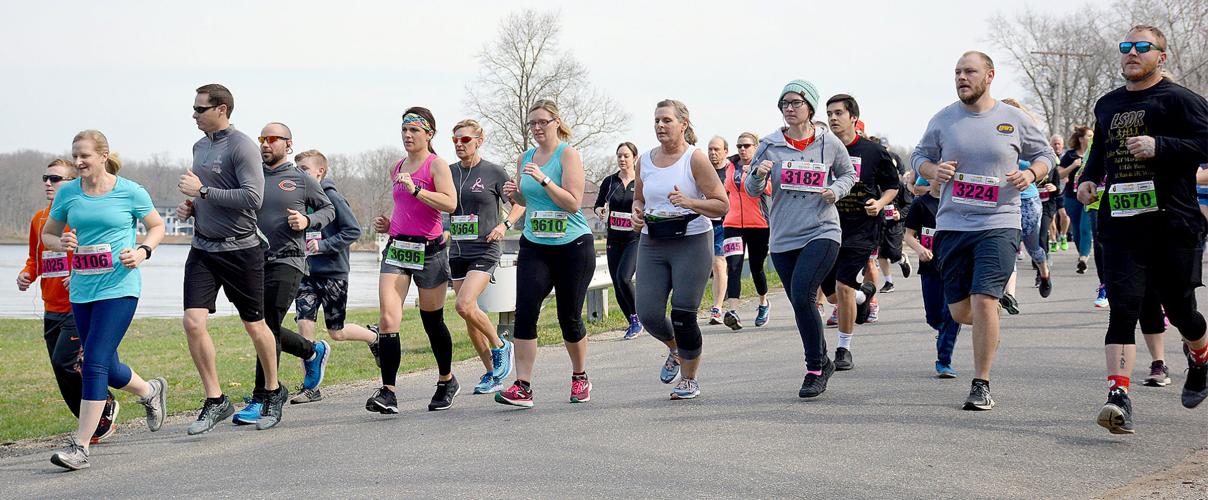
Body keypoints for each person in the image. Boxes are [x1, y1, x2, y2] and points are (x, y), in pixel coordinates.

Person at [1075, 25, 1208, 434]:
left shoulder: (1181, 100)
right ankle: (1118, 397)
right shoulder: (1108, 103)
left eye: (1142, 47)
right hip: (1121, 221)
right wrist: (1087, 179)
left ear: (1161, 57)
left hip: (1173, 221)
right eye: (1126, 47)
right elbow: (1099, 153)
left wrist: (1160, 146)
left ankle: (1201, 359)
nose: (1131, 53)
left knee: (1181, 309)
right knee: (1124, 307)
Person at [913, 51, 1056, 411]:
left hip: (999, 222)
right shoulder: (944, 119)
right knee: (962, 312)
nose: (962, 77)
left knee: (983, 300)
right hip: (953, 224)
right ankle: (989, 317)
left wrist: (1031, 174)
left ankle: (981, 383)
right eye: (957, 72)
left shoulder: (1013, 119)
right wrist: (933, 171)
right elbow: (918, 157)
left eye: (970, 72)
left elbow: (1046, 157)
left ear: (990, 76)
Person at [181, 122, 337, 423]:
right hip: (250, 257)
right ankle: (311, 351)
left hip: (287, 259)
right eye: (262, 139)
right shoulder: (249, 176)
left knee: (268, 322)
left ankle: (261, 397)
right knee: (259, 325)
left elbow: (328, 210)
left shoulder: (300, 179)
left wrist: (307, 221)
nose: (265, 144)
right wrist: (193, 208)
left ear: (288, 145)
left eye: (273, 139)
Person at [43, 130, 168, 470]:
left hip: (120, 286)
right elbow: (48, 234)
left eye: (84, 155)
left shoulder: (130, 191)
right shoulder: (68, 192)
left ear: (102, 155)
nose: (79, 161)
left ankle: (80, 445)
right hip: (83, 289)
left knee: (94, 360)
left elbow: (157, 227)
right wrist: (60, 245)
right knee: (108, 365)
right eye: (75, 156)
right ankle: (150, 390)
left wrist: (143, 251)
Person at [177, 84, 288, 434]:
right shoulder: (200, 146)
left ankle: (273, 392)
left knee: (256, 327)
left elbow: (253, 198)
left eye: (199, 109)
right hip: (204, 249)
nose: (193, 115)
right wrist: (193, 206)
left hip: (241, 249)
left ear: (221, 109)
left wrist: (204, 191)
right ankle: (216, 400)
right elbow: (209, 195)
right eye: (194, 109)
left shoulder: (241, 146)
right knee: (193, 322)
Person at [747, 79, 856, 398]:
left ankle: (815, 368)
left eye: (796, 103)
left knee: (803, 293)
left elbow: (849, 174)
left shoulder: (828, 143)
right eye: (785, 104)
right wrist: (758, 175)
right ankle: (823, 358)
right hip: (783, 236)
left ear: (810, 107)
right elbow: (752, 190)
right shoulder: (768, 144)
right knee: (799, 300)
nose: (790, 109)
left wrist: (834, 191)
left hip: (822, 230)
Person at [496, 99, 595, 408]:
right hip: (535, 244)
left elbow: (572, 203)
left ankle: (580, 376)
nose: (536, 128)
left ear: (556, 122)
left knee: (569, 316)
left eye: (542, 122)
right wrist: (514, 194)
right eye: (532, 123)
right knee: (525, 311)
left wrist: (544, 178)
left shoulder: (569, 155)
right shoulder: (525, 156)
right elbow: (527, 200)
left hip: (573, 246)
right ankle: (523, 386)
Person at [631, 99, 728, 400]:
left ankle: (689, 378)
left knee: (684, 314)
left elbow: (721, 204)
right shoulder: (644, 160)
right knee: (647, 313)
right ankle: (675, 349)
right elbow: (639, 199)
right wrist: (636, 213)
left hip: (692, 241)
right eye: (657, 120)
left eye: (667, 120)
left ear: (683, 124)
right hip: (653, 241)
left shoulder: (695, 159)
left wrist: (691, 202)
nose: (660, 126)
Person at [18, 159, 119, 444]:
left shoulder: (79, 215)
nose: (48, 183)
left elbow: (100, 253)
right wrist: (27, 274)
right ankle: (93, 424)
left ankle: (104, 409)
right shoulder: (40, 219)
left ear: (73, 181)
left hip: (79, 304)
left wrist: (79, 273)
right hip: (51, 307)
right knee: (63, 366)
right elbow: (35, 259)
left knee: (68, 363)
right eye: (45, 178)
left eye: (55, 178)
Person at [366, 107, 460, 413]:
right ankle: (388, 392)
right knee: (388, 319)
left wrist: (417, 189)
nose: (407, 135)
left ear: (429, 133)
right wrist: (388, 225)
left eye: (414, 130)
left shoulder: (437, 165)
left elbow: (450, 204)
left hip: (430, 251)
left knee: (432, 321)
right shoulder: (397, 167)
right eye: (404, 130)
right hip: (397, 249)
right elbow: (404, 210)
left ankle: (446, 380)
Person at [290, 149, 380, 404]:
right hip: (306, 272)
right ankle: (311, 387)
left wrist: (325, 245)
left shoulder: (332, 197)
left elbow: (353, 230)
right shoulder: (298, 199)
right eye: (297, 170)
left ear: (320, 171)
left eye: (305, 169)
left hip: (333, 272)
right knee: (304, 324)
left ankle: (374, 337)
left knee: (336, 332)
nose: (300, 174)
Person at [822, 94, 899, 371]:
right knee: (832, 294)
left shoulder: (873, 152)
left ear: (853, 117)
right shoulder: (822, 149)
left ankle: (843, 348)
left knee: (843, 286)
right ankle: (862, 296)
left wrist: (880, 203)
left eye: (839, 113)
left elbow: (893, 186)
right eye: (829, 113)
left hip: (861, 228)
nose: (833, 118)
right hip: (827, 226)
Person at [445, 119, 520, 394]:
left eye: (465, 140)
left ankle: (502, 346)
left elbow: (519, 205)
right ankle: (492, 373)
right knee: (470, 314)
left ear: (479, 141)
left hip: (485, 248)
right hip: (458, 250)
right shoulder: (448, 172)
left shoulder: (493, 172)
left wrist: (504, 225)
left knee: (464, 305)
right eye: (455, 140)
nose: (459, 145)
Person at [904, 178, 963, 377]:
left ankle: (944, 360)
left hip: (954, 265)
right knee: (934, 316)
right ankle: (944, 331)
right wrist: (920, 249)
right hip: (930, 267)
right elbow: (909, 235)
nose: (942, 180)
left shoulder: (957, 201)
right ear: (929, 178)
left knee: (951, 314)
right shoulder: (920, 203)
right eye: (937, 176)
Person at [1001, 99, 1054, 300]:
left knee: (1032, 248)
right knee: (1008, 246)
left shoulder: (1027, 138)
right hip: (1003, 201)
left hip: (1027, 201)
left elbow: (1044, 162)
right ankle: (1009, 294)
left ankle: (1044, 272)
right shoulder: (994, 136)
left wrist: (1026, 170)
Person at [720, 131, 772, 330]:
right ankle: (733, 311)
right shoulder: (730, 166)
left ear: (756, 147)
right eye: (739, 146)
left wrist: (755, 174)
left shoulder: (765, 165)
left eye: (747, 145)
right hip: (732, 224)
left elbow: (770, 189)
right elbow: (726, 189)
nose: (742, 149)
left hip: (759, 224)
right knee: (733, 266)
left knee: (757, 266)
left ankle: (763, 303)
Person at [594, 142, 641, 339]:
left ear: (634, 158)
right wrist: (600, 211)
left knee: (624, 277)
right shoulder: (610, 181)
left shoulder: (640, 181)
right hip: (614, 238)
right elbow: (597, 205)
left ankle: (639, 316)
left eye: (626, 156)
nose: (622, 159)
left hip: (634, 238)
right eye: (619, 156)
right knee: (617, 282)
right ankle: (632, 321)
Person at [1061, 126, 1095, 275]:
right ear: (1081, 139)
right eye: (1089, 135)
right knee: (1076, 229)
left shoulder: (1096, 153)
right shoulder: (1070, 155)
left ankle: (1083, 258)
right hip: (1071, 196)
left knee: (1085, 227)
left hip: (1090, 196)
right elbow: (1059, 174)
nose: (1091, 138)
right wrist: (1073, 166)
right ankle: (1082, 254)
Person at [705, 137, 731, 324]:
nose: (713, 153)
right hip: (703, 223)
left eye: (717, 149)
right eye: (710, 149)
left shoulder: (730, 172)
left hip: (724, 224)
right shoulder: (702, 171)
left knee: (719, 263)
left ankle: (717, 308)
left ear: (725, 152)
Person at [1041, 135, 1065, 257]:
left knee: (1042, 232)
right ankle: (1038, 257)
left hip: (1047, 204)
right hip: (1030, 203)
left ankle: (1043, 260)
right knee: (1033, 234)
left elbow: (1057, 187)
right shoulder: (1027, 165)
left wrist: (1054, 188)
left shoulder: (1052, 166)